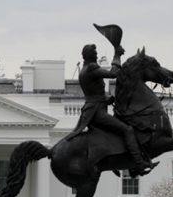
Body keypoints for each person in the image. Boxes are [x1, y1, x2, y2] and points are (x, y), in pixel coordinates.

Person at [64, 43, 157, 177]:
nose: (97, 56)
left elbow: (93, 95)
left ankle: (120, 161)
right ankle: (139, 163)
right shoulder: (91, 68)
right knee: (127, 129)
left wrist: (107, 99)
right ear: (91, 56)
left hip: (92, 110)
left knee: (117, 130)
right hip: (97, 113)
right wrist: (117, 55)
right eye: (95, 54)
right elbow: (113, 74)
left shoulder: (83, 70)